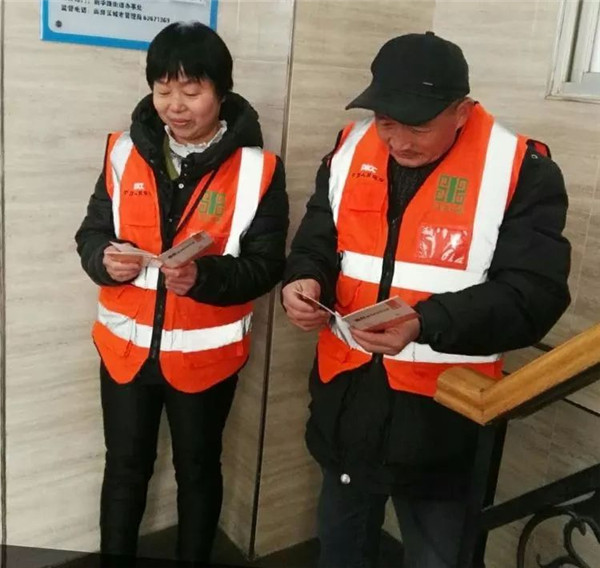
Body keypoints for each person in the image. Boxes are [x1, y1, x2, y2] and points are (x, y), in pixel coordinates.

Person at [282, 31, 570, 568]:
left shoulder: (520, 169)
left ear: (461, 112)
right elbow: (318, 238)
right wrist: (303, 280)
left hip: (443, 418)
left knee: (438, 556)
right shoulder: (349, 150)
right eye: (386, 122)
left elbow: (534, 295)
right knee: (341, 549)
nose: (399, 141)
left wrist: (426, 321)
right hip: (348, 401)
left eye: (417, 127)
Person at [75, 22, 288, 566]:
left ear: (221, 91)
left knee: (198, 470)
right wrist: (105, 261)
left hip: (204, 357)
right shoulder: (122, 153)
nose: (175, 105)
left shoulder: (258, 170)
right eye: (163, 89)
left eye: (191, 91)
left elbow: (266, 267)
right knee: (124, 468)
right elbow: (91, 234)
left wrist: (205, 278)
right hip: (124, 352)